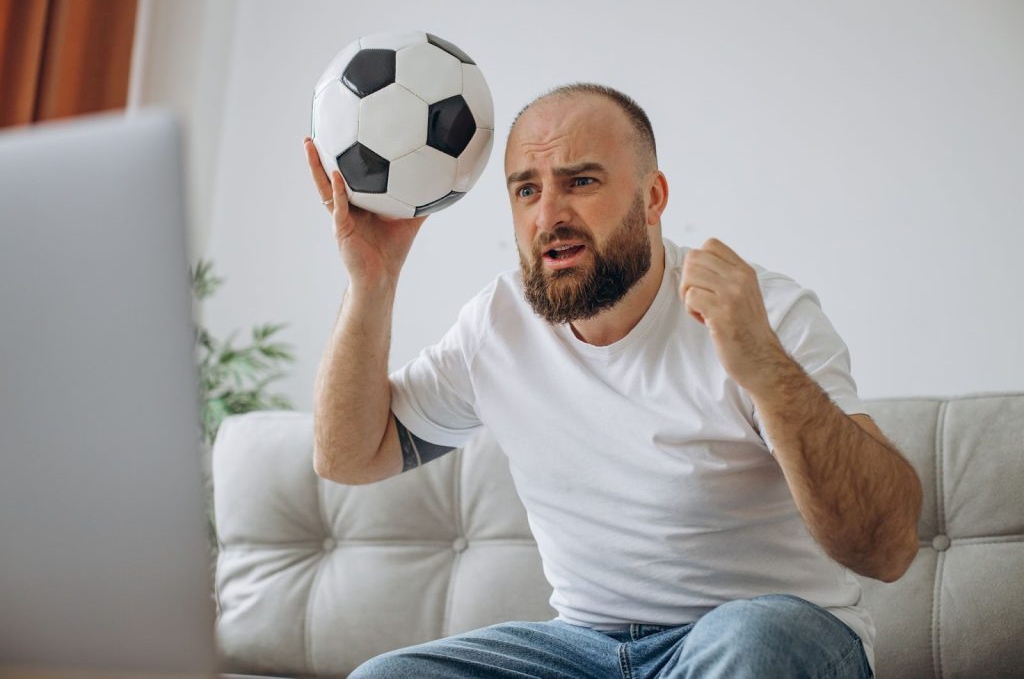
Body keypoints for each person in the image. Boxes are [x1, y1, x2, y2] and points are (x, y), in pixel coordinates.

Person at [303, 82, 922, 678]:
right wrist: (372, 280)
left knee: (746, 643)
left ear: (653, 198)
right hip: (585, 648)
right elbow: (350, 456)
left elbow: (887, 549)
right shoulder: (496, 324)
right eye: (525, 190)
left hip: (772, 636)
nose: (549, 215)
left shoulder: (761, 315)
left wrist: (765, 367)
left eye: (581, 181)